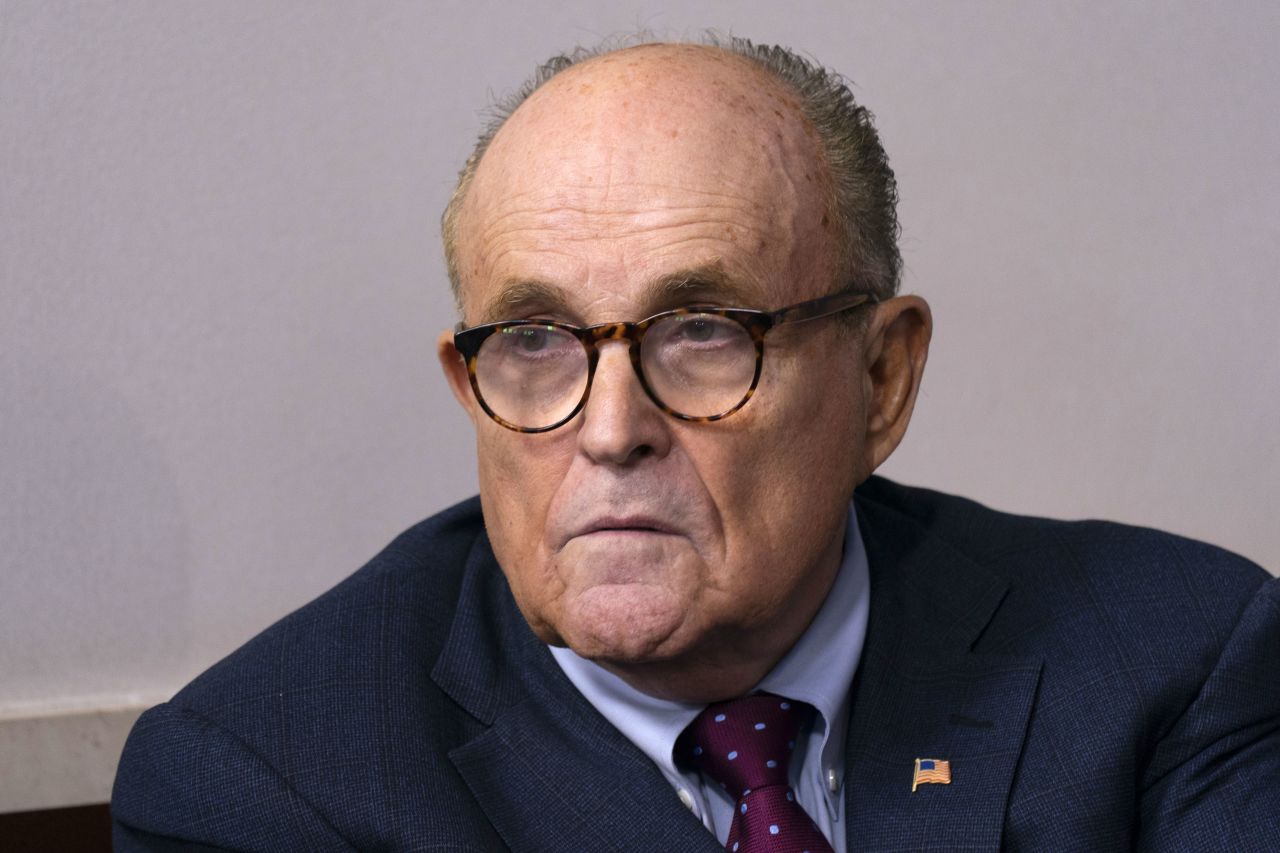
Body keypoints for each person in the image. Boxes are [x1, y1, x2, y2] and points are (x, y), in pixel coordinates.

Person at [112, 36, 1279, 851]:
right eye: (532, 339)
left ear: (881, 377)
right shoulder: (264, 781)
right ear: (468, 387)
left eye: (703, 333)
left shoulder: (1173, 658)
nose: (611, 431)